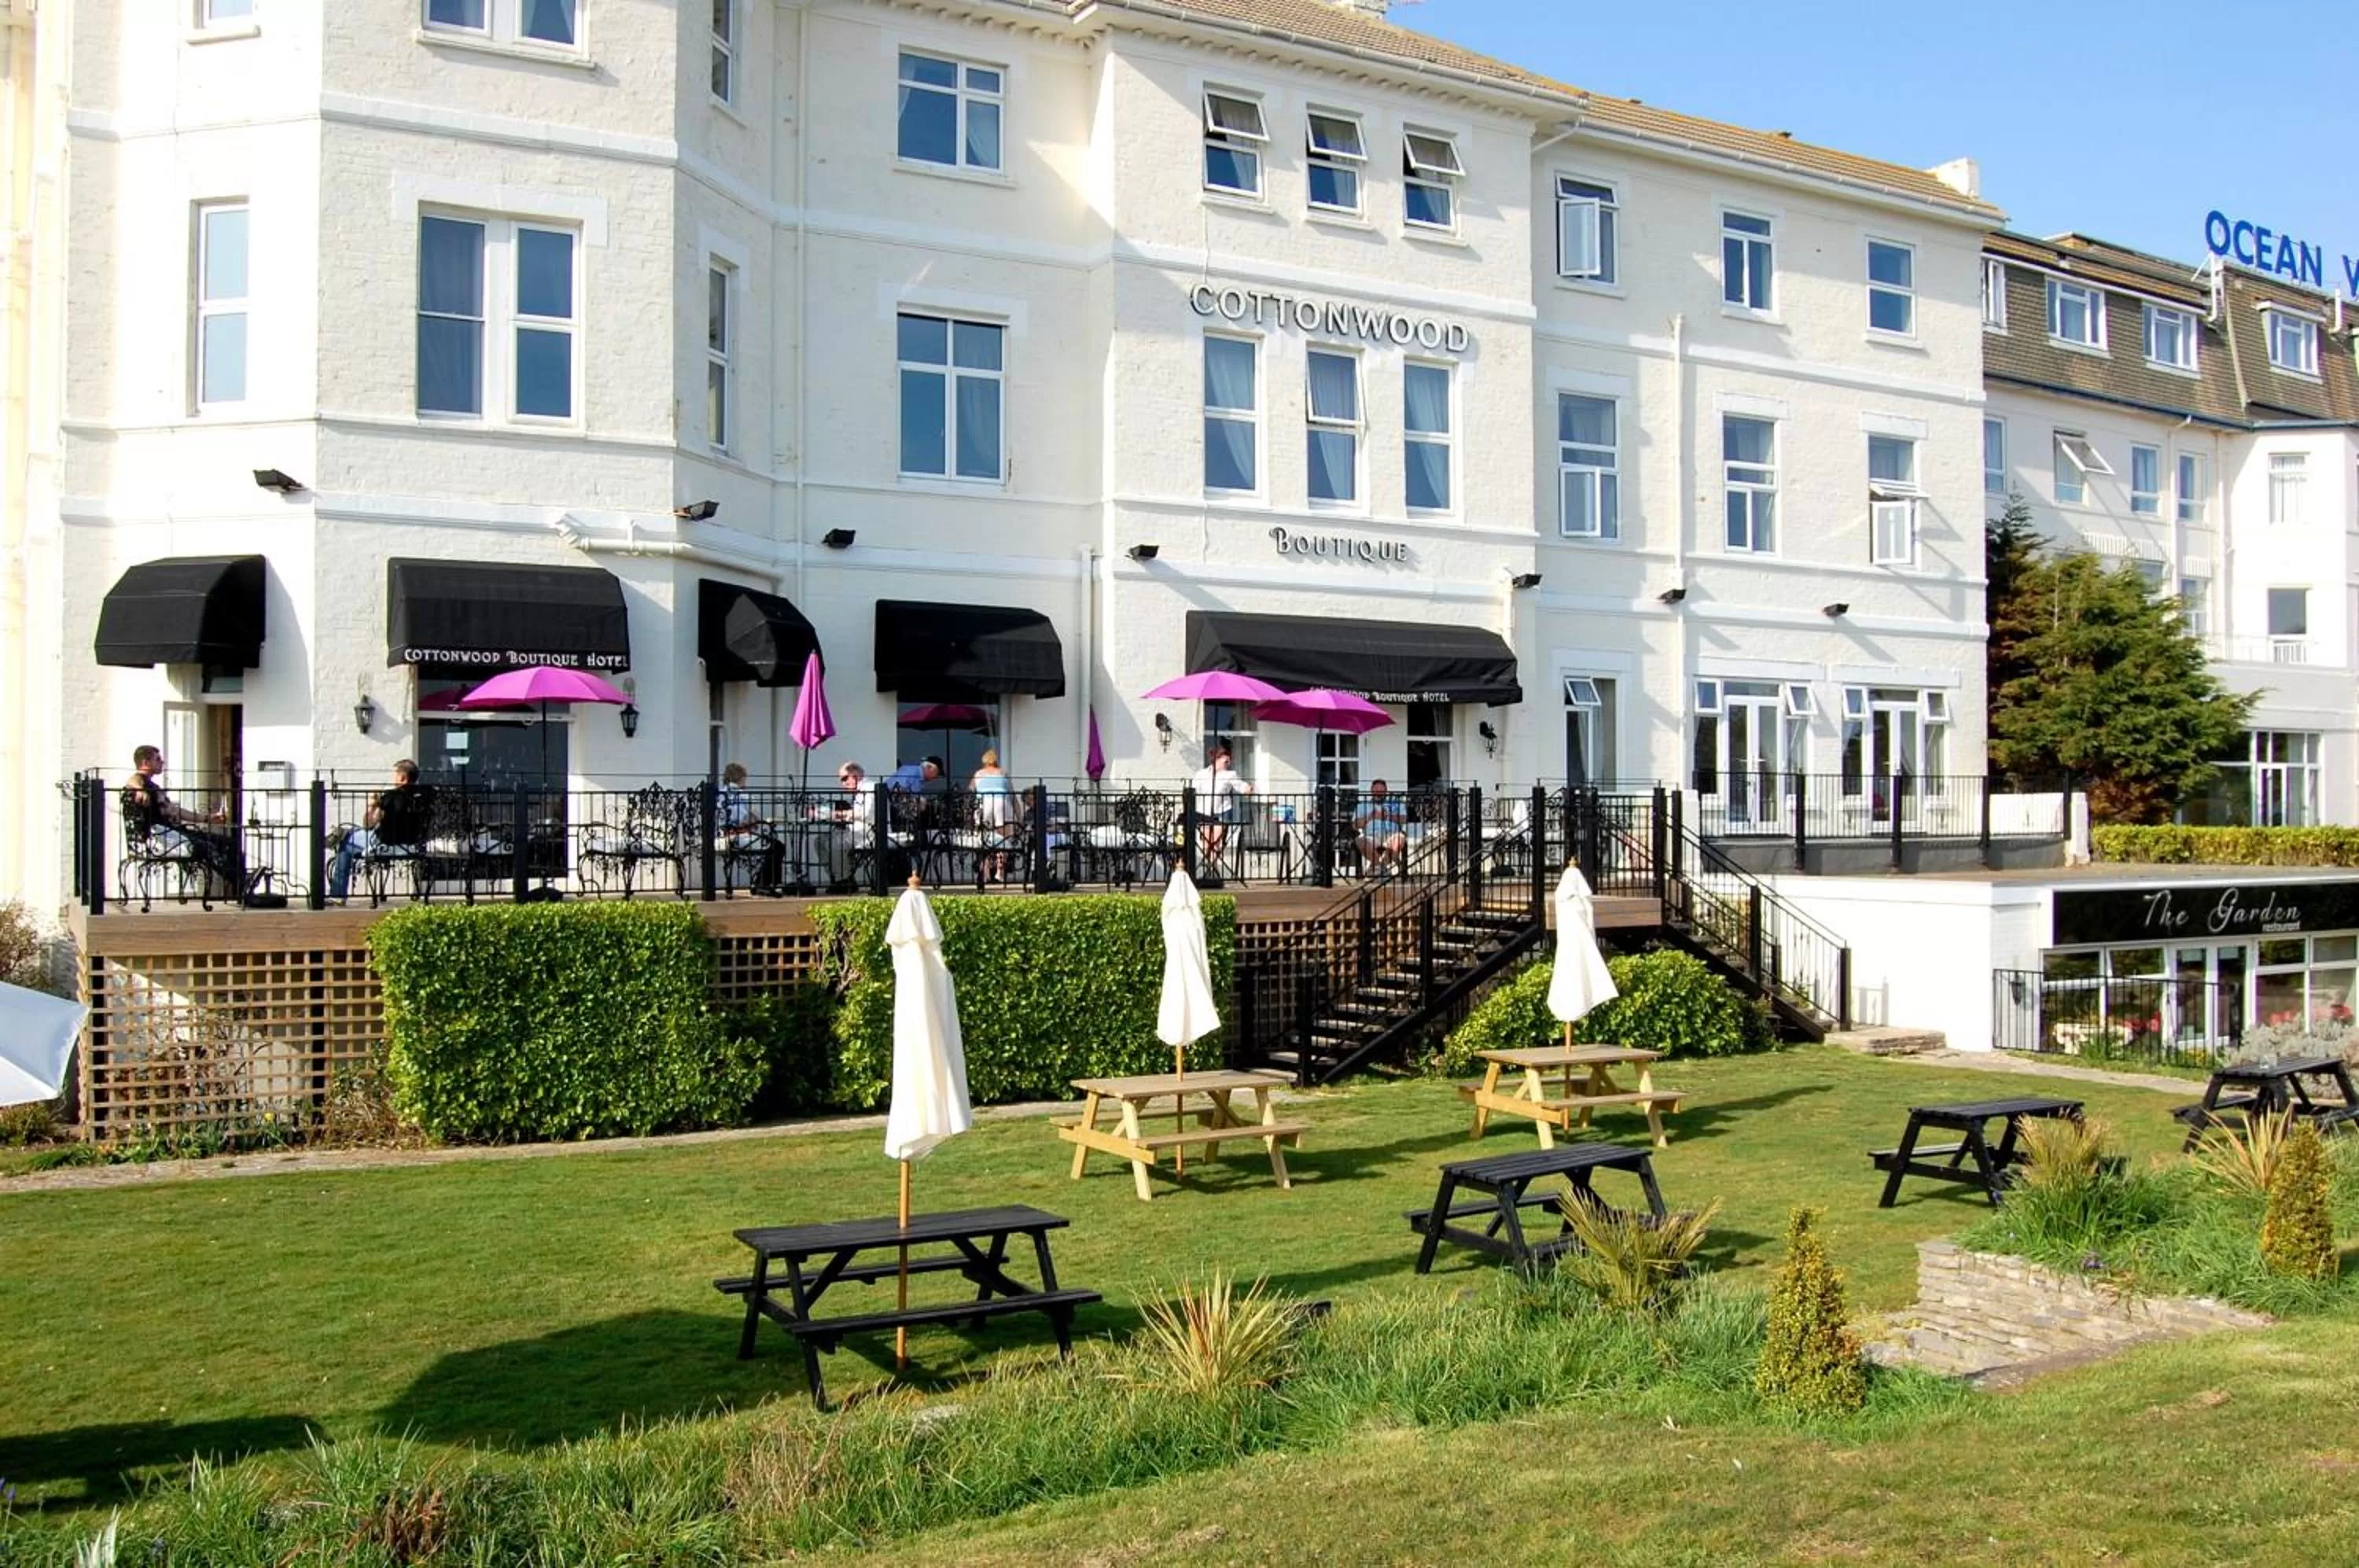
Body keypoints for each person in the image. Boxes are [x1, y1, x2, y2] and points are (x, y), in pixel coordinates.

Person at [120, 744, 241, 893]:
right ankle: (242, 881)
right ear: (145, 763)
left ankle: (241, 882)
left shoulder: (151, 786)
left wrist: (207, 818)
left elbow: (175, 811)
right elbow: (133, 779)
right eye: (158, 760)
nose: (162, 763)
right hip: (162, 839)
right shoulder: (141, 782)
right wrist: (139, 789)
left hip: (173, 834)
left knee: (228, 842)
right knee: (206, 847)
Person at [329, 759, 428, 900]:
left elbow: (368, 824)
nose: (394, 778)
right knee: (351, 835)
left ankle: (337, 895)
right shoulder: (423, 798)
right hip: (413, 846)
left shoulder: (390, 797)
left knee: (345, 843)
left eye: (396, 775)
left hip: (385, 845)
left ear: (402, 777)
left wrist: (372, 806)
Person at [716, 761, 782, 892]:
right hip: (738, 837)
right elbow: (751, 818)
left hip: (721, 835)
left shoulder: (719, 793)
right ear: (741, 778)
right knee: (777, 846)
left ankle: (762, 882)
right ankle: (765, 884)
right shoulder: (743, 795)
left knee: (772, 846)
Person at [1189, 745, 1252, 870]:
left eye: (1229, 761)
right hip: (1204, 811)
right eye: (1226, 761)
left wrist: (1247, 789)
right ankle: (1212, 868)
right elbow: (1193, 789)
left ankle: (1212, 870)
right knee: (1206, 843)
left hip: (1222, 810)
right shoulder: (1202, 774)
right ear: (1217, 759)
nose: (1228, 764)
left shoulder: (1230, 774)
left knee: (1215, 842)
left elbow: (1239, 785)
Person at [970, 748, 1018, 883]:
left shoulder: (978, 773)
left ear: (984, 762)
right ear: (996, 761)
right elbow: (1012, 795)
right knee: (1003, 839)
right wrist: (1018, 817)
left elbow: (970, 790)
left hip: (984, 803)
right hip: (1001, 803)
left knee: (984, 839)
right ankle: (1000, 871)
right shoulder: (1003, 773)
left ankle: (985, 873)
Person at [1355, 778, 1411, 877]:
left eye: (1381, 791)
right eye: (1376, 791)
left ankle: (1377, 867)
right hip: (1371, 837)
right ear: (1371, 791)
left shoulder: (1396, 803)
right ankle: (1381, 866)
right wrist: (1371, 817)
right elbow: (1355, 825)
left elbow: (1404, 819)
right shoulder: (1362, 805)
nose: (1378, 794)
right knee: (1359, 840)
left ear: (1386, 791)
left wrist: (1388, 817)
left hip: (1392, 835)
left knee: (1399, 838)